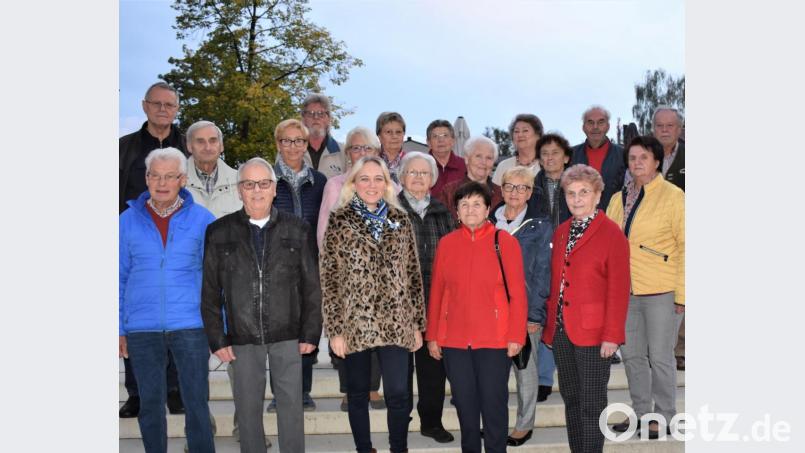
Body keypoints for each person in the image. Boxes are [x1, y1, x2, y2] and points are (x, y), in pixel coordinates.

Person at [201, 157, 322, 453]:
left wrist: (310, 333)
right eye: (249, 184)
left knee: (291, 408)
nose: (257, 190)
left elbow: (311, 285)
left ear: (273, 188)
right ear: (239, 189)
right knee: (247, 409)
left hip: (288, 334)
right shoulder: (219, 232)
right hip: (242, 336)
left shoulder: (298, 229)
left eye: (264, 183)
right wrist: (217, 338)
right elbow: (209, 291)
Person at [321, 156, 425, 453]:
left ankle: (398, 448)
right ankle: (364, 449)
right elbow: (329, 279)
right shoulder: (339, 220)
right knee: (357, 393)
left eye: (378, 178)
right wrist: (336, 330)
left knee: (398, 393)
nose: (371, 185)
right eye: (364, 178)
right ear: (353, 183)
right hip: (356, 322)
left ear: (387, 183)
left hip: (397, 321)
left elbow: (413, 274)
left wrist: (417, 324)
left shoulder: (401, 219)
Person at [119, 147, 216, 453]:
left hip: (190, 324)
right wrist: (119, 326)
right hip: (142, 329)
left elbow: (214, 278)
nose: (162, 183)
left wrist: (218, 325)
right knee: (149, 404)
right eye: (155, 176)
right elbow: (116, 276)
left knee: (196, 403)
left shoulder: (203, 219)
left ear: (182, 180)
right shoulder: (125, 221)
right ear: (146, 178)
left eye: (170, 176)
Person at [427, 181, 528, 453]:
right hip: (455, 342)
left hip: (495, 340)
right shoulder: (447, 244)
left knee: (494, 406)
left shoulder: (504, 242)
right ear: (456, 211)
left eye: (476, 204)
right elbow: (437, 292)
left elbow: (518, 294)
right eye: (464, 204)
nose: (470, 209)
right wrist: (433, 336)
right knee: (465, 406)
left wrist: (516, 335)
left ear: (487, 209)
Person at [542, 163, 631, 453]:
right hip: (561, 330)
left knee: (592, 403)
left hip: (595, 333)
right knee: (572, 399)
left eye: (584, 192)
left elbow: (619, 288)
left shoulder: (611, 233)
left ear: (597, 194)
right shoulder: (562, 231)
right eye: (571, 193)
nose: (577, 199)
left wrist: (612, 335)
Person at [607, 136, 685, 439]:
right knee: (633, 356)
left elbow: (687, 246)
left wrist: (683, 294)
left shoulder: (673, 196)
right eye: (632, 158)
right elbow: (610, 246)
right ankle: (641, 414)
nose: (637, 163)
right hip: (626, 293)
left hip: (662, 291)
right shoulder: (618, 198)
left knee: (662, 357)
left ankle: (665, 416)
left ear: (657, 162)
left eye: (644, 157)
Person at [119, 82, 187, 418]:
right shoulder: (124, 148)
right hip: (136, 241)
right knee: (137, 319)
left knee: (175, 317)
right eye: (156, 104)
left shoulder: (189, 145)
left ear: (176, 109)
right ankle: (138, 394)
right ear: (145, 106)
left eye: (169, 105)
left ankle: (175, 390)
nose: (163, 110)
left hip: (179, 240)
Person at [315, 126, 388, 411]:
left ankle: (372, 388)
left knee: (377, 331)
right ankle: (349, 388)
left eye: (367, 148)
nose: (361, 153)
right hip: (344, 274)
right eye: (356, 148)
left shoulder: (385, 183)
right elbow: (323, 231)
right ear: (348, 154)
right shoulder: (335, 185)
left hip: (380, 275)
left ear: (376, 153)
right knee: (345, 331)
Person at [490, 166, 553, 447]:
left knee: (525, 372)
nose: (515, 192)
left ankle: (523, 425)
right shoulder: (487, 221)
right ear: (501, 189)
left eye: (522, 187)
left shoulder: (540, 226)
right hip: (490, 313)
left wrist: (535, 314)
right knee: (493, 375)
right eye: (509, 186)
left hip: (524, 311)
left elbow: (542, 273)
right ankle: (495, 424)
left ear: (529, 192)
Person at [397, 152, 456, 444]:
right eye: (412, 172)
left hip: (435, 302)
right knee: (400, 368)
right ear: (401, 177)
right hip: (398, 303)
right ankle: (400, 421)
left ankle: (431, 422)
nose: (418, 178)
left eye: (424, 173)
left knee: (433, 367)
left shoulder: (444, 213)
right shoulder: (389, 210)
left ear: (433, 180)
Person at [270, 118, 327, 412]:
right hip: (274, 267)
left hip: (309, 265)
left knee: (306, 330)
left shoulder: (320, 181)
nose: (293, 147)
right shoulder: (267, 178)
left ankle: (303, 392)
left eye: (299, 141)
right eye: (287, 140)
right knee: (278, 331)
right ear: (278, 144)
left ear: (306, 145)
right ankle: (280, 394)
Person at [528, 132, 574, 401]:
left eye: (555, 152)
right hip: (540, 259)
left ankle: (566, 373)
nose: (549, 158)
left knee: (566, 318)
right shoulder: (530, 187)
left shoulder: (578, 184)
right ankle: (543, 377)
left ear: (566, 157)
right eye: (544, 153)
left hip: (571, 257)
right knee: (545, 315)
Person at [652, 106, 685, 371]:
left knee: (684, 292)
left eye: (670, 126)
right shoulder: (644, 155)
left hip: (684, 234)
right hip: (653, 239)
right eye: (660, 126)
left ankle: (681, 349)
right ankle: (658, 350)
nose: (664, 130)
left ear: (679, 129)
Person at [434, 136, 503, 221]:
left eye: (489, 158)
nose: (483, 162)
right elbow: (439, 224)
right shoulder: (448, 192)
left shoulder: (501, 194)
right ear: (466, 159)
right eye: (478, 156)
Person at [570, 105, 625, 211]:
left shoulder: (623, 155)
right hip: (578, 219)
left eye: (600, 122)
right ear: (583, 127)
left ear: (608, 126)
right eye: (590, 122)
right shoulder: (570, 156)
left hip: (613, 219)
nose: (595, 127)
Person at [185, 120, 242, 218]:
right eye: (200, 141)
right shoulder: (174, 181)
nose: (207, 147)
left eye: (213, 141)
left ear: (221, 146)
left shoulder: (240, 180)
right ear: (189, 146)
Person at [301, 92, 346, 178]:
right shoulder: (290, 150)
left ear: (328, 119)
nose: (316, 117)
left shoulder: (343, 152)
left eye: (321, 113)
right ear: (303, 119)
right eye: (310, 113)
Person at [491, 114, 543, 185]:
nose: (520, 135)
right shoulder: (503, 166)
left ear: (538, 136)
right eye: (516, 131)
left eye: (525, 130)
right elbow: (496, 195)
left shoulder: (548, 165)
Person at [425, 119, 466, 196]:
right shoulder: (420, 166)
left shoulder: (465, 166)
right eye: (435, 136)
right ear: (428, 142)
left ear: (453, 141)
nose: (441, 140)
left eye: (445, 135)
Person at [376, 111, 408, 182]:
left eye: (398, 132)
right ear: (379, 137)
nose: (394, 136)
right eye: (388, 132)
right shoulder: (371, 162)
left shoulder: (412, 162)